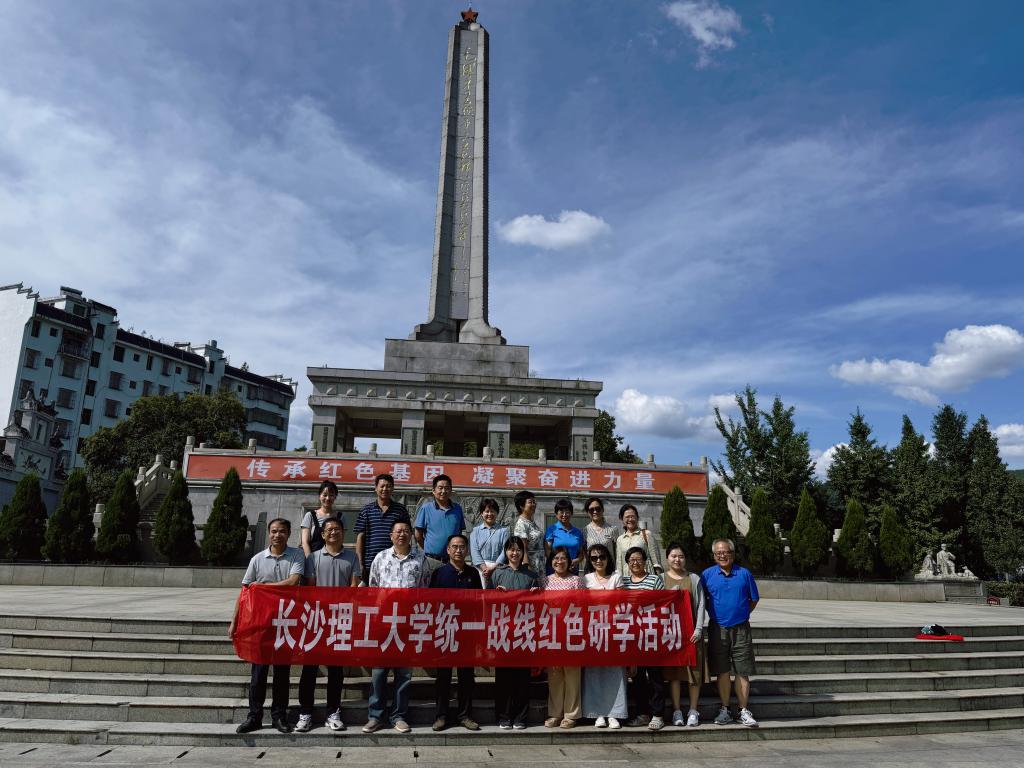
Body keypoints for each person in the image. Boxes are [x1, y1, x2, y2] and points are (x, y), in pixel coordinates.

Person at [230, 518, 305, 734]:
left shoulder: (296, 555)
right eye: (273, 531)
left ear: (288, 533)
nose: (277, 535)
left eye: (282, 531)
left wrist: (263, 587)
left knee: (282, 673)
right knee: (258, 673)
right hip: (260, 623)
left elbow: (293, 582)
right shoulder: (257, 559)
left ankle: (279, 716)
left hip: (285, 622)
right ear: (269, 534)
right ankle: (254, 716)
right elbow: (245, 592)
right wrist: (234, 621)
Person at [363, 519, 430, 734]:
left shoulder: (420, 559)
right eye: (398, 531)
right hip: (384, 623)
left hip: (408, 623)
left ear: (411, 535)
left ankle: (399, 716)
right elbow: (373, 589)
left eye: (406, 531)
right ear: (391, 535)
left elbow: (424, 590)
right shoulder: (380, 558)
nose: (402, 534)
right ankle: (375, 716)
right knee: (379, 672)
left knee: (404, 674)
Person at [295, 517, 361, 733]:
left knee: (336, 670)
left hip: (340, 620)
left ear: (343, 532)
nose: (333, 532)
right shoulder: (313, 558)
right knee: (309, 669)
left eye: (337, 529)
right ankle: (305, 712)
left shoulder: (352, 557)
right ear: (322, 534)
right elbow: (311, 588)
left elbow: (353, 588)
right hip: (316, 619)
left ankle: (333, 712)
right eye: (329, 529)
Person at [702, 538, 759, 728]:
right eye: (718, 553)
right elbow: (702, 600)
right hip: (717, 628)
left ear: (733, 554)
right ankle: (725, 709)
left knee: (743, 670)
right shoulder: (707, 575)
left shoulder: (744, 574)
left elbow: (753, 599)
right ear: (714, 555)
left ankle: (743, 710)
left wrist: (742, 613)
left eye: (726, 552)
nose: (722, 555)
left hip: (741, 628)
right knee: (722, 670)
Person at [429, 533, 482, 732]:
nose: (458, 550)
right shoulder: (439, 573)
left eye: (462, 547)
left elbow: (479, 603)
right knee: (443, 676)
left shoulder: (473, 573)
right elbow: (431, 603)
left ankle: (465, 715)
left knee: (466, 676)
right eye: (455, 547)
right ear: (448, 550)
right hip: (444, 630)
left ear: (467, 550)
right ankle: (441, 716)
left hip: (467, 631)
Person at [490, 536, 541, 729]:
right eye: (511, 549)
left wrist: (536, 596)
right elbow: (487, 601)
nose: (514, 553)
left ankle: (520, 717)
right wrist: (497, 595)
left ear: (522, 552)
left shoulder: (531, 575)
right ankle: (503, 716)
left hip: (524, 631)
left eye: (518, 549)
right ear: (506, 552)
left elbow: (539, 606)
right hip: (503, 631)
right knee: (503, 677)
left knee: (522, 678)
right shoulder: (497, 573)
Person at [662, 542, 708, 727]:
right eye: (673, 556)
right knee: (674, 674)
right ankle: (677, 711)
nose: (677, 559)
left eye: (680, 556)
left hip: (691, 634)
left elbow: (701, 604)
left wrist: (699, 628)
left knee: (694, 674)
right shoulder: (661, 579)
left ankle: (693, 710)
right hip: (671, 635)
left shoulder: (693, 578)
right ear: (667, 558)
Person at [582, 543, 626, 730]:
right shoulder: (585, 579)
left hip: (614, 629)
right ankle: (598, 712)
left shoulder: (616, 577)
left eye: (602, 557)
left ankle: (614, 713)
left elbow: (621, 603)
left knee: (615, 673)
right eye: (594, 558)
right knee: (594, 672)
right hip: (593, 629)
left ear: (608, 558)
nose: (598, 560)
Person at [622, 546, 666, 731]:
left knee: (655, 676)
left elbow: (663, 603)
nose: (635, 562)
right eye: (631, 559)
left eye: (639, 559)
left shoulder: (655, 580)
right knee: (637, 677)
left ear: (645, 561)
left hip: (651, 634)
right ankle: (642, 713)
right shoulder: (623, 582)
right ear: (627, 563)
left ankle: (658, 714)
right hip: (632, 636)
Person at [542, 546, 585, 729]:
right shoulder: (544, 580)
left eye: (563, 558)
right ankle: (555, 713)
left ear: (569, 562)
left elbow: (583, 605)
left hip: (571, 631)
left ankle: (571, 714)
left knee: (572, 674)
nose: (559, 562)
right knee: (554, 674)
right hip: (551, 631)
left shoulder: (576, 581)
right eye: (556, 558)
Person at [355, 473, 411, 582]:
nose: (385, 489)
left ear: (393, 489)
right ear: (376, 488)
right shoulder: (366, 511)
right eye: (382, 486)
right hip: (370, 564)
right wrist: (359, 563)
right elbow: (360, 537)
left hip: (395, 563)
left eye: (388, 486)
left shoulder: (400, 510)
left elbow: (407, 535)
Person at [414, 474, 464, 565]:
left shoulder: (457, 509)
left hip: (452, 560)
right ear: (433, 491)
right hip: (431, 559)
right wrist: (428, 549)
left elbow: (459, 532)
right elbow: (418, 534)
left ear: (451, 490)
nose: (443, 491)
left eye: (447, 488)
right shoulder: (426, 508)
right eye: (440, 488)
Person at [469, 497, 508, 586]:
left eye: (492, 511)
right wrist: (484, 568)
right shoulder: (475, 531)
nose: (490, 514)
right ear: (482, 513)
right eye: (487, 511)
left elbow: (505, 551)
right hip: (479, 569)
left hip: (497, 568)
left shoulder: (504, 531)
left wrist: (494, 567)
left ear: (497, 513)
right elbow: (474, 552)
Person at [615, 504, 661, 578]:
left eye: (632, 516)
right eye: (627, 517)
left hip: (646, 576)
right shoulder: (620, 539)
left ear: (637, 518)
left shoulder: (646, 534)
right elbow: (619, 564)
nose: (630, 519)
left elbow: (656, 561)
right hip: (628, 577)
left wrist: (658, 577)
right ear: (622, 519)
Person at [544, 499, 585, 573]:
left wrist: (576, 560)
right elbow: (547, 550)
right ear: (556, 514)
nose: (564, 515)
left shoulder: (578, 532)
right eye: (561, 512)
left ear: (571, 513)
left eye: (567, 512)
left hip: (572, 570)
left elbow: (581, 554)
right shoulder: (551, 529)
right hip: (555, 570)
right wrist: (557, 563)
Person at [512, 490, 546, 577]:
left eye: (534, 502)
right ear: (521, 506)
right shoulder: (521, 524)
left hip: (540, 564)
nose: (533, 504)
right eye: (530, 502)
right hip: (531, 566)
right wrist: (528, 568)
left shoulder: (531, 522)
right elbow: (522, 548)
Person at [301, 479, 339, 557]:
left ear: (335, 497)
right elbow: (305, 542)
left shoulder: (340, 517)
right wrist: (310, 560)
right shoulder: (310, 515)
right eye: (325, 495)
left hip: (334, 558)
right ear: (319, 496)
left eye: (331, 495)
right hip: (313, 558)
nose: (328, 498)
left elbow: (340, 541)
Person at [583, 497, 618, 574]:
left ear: (602, 510)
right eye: (591, 510)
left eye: (598, 509)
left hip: (609, 570)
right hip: (591, 571)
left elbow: (617, 552)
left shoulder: (612, 529)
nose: (595, 512)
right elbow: (585, 553)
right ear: (588, 512)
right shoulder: (585, 531)